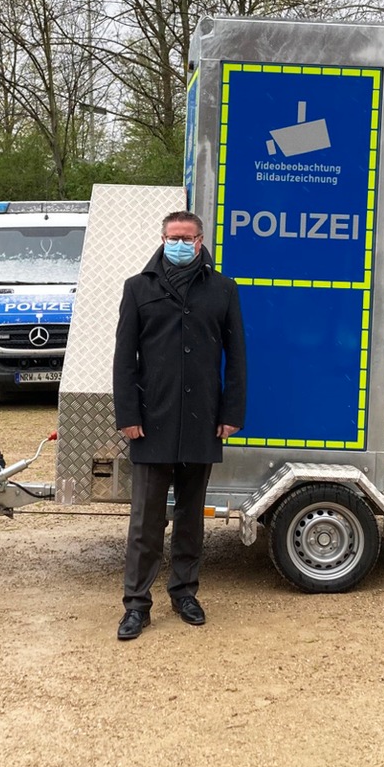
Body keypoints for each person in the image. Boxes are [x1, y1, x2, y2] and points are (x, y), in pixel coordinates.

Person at [111, 210, 246, 638]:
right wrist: (128, 415)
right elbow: (123, 358)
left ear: (201, 240)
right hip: (151, 422)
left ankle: (185, 593)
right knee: (145, 521)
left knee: (191, 518)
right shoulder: (138, 288)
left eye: (188, 237)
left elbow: (237, 356)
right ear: (163, 238)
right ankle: (136, 605)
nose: (181, 243)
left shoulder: (223, 289)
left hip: (202, 420)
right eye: (174, 236)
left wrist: (230, 414)